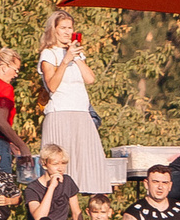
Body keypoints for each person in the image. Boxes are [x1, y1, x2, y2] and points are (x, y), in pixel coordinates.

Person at [36, 10, 119, 195]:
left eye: (70, 28)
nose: (67, 32)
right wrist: (65, 61)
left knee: (89, 164)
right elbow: (52, 86)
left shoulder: (75, 54)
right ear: (54, 30)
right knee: (59, 167)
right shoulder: (48, 54)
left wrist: (76, 56)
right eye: (63, 28)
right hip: (60, 113)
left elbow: (90, 79)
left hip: (81, 113)